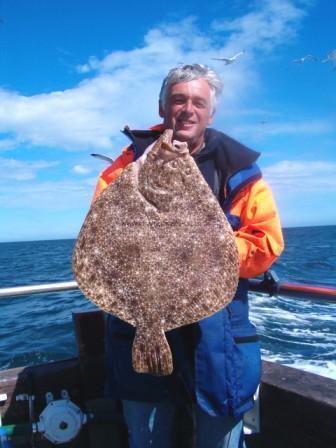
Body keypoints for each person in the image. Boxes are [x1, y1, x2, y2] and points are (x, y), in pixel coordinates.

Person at [92, 64, 284, 448]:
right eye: (178, 100)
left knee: (220, 441)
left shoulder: (239, 169)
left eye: (198, 102)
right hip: (141, 330)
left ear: (210, 113)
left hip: (218, 336)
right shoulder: (126, 165)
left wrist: (195, 249)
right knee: (146, 439)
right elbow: (99, 240)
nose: (187, 109)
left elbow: (264, 245)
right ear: (162, 107)